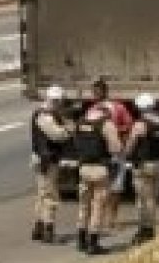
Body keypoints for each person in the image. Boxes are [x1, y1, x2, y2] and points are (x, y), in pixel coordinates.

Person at [73, 101, 122, 254]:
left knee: (84, 204)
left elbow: (75, 142)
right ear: (107, 113)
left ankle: (81, 239)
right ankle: (93, 243)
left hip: (83, 168)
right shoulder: (106, 125)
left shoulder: (80, 123)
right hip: (100, 168)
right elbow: (116, 147)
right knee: (98, 205)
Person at [30, 84, 73, 244]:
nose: (59, 104)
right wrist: (69, 129)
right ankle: (48, 228)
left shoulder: (41, 113)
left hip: (41, 158)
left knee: (42, 194)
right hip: (47, 160)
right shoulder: (45, 116)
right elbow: (57, 135)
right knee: (50, 195)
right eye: (58, 101)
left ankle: (39, 227)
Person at [124, 93, 159, 244]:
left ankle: (145, 230)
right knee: (153, 198)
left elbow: (131, 144)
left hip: (144, 165)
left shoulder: (140, 124)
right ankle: (149, 229)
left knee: (143, 199)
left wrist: (126, 155)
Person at [91, 79, 134, 229]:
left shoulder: (117, 107)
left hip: (114, 152)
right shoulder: (92, 110)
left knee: (115, 187)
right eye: (94, 92)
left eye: (97, 92)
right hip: (101, 154)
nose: (95, 94)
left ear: (105, 92)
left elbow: (129, 124)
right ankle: (102, 220)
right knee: (104, 188)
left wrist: (115, 131)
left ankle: (111, 219)